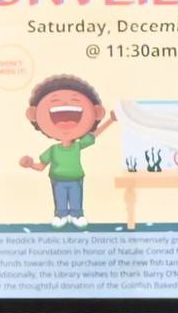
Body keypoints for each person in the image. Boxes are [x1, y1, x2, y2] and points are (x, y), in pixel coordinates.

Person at [18, 73, 118, 226]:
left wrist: (110, 120)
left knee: (76, 197)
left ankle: (77, 215)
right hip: (57, 180)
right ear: (34, 115)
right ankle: (61, 215)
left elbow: (94, 134)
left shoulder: (77, 146)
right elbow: (40, 166)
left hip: (76, 179)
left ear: (97, 113)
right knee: (60, 198)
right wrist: (30, 164)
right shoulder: (53, 150)